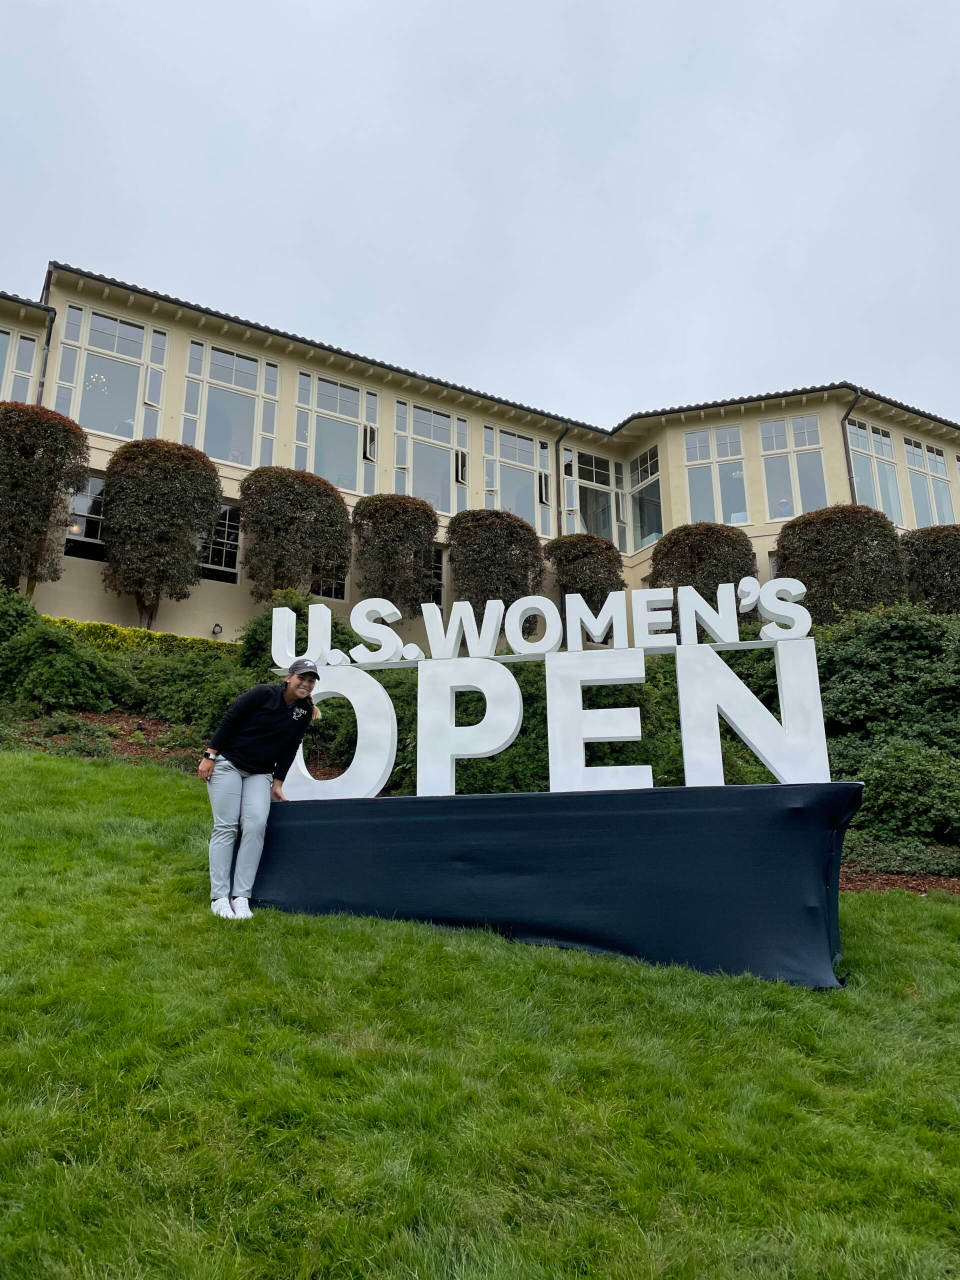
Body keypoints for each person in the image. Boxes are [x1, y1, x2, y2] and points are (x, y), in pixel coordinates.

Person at [198, 658, 320, 920]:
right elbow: (230, 720)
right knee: (227, 826)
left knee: (255, 826)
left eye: (311, 681)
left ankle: (241, 897)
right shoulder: (263, 694)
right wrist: (210, 755)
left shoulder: (304, 712)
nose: (306, 684)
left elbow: (291, 747)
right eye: (302, 678)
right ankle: (219, 897)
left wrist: (278, 782)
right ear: (289, 677)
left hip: (260, 773)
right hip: (228, 765)